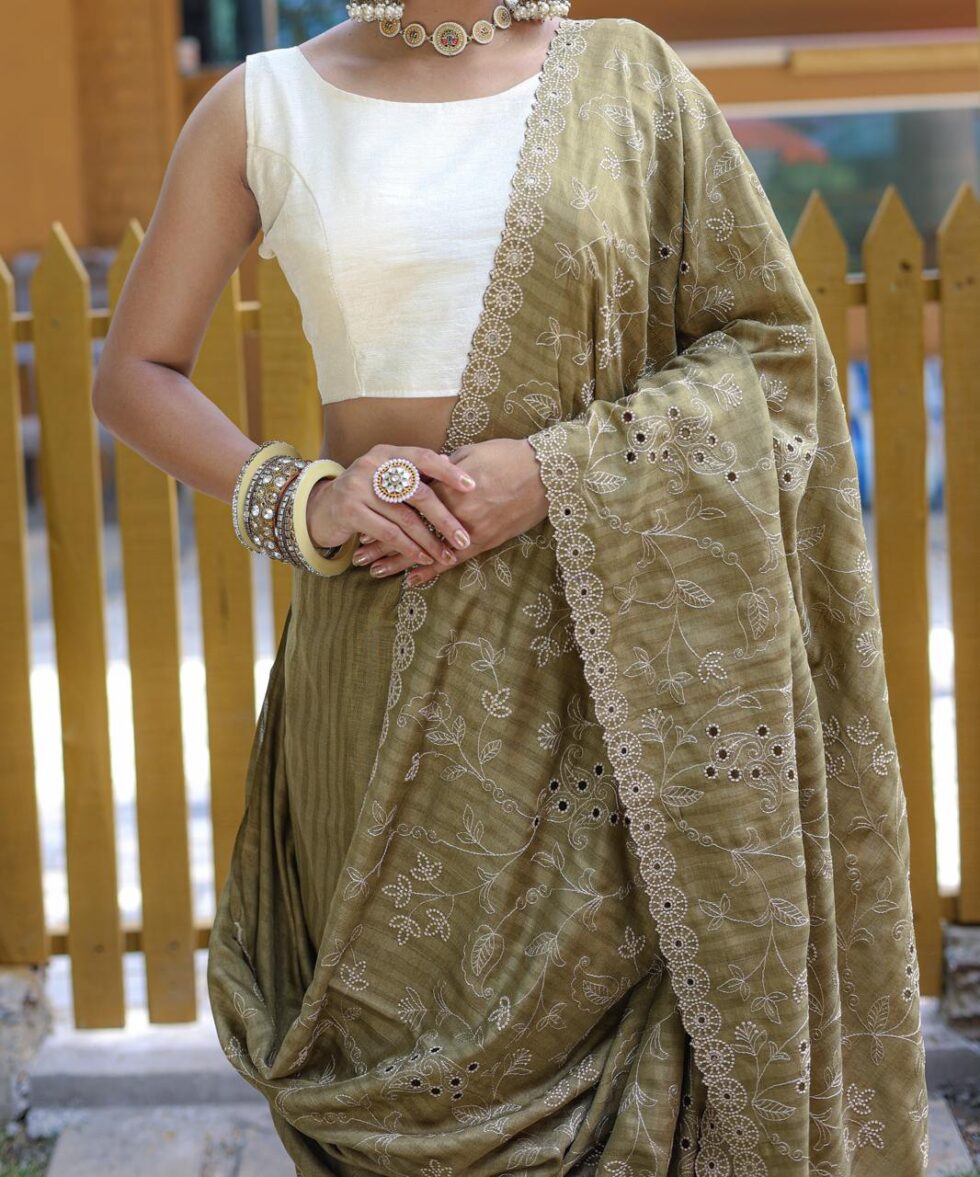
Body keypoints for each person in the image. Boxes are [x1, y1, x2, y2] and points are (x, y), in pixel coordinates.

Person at [92, 3, 930, 1173]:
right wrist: (304, 500)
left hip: (616, 666)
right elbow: (135, 372)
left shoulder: (630, 83)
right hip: (384, 640)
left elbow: (769, 353)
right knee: (393, 1027)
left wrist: (551, 473)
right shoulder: (263, 105)